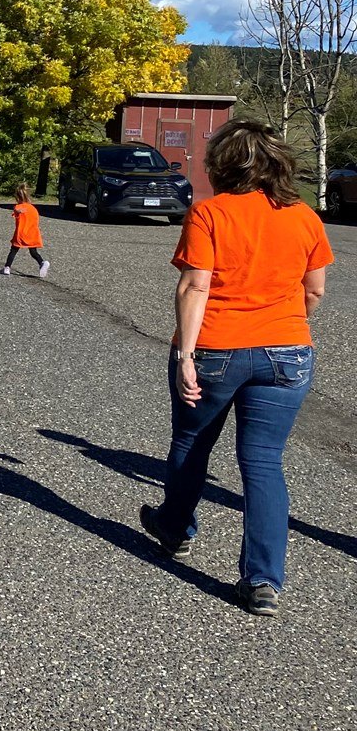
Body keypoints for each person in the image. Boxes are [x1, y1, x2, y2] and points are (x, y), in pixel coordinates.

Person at [139, 122, 332, 617]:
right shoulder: (305, 217)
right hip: (287, 351)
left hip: (216, 349)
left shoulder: (211, 212)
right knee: (264, 461)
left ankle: (175, 529)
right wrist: (281, 327)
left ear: (223, 164)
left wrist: (186, 356)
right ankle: (263, 580)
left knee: (191, 441)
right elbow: (314, 291)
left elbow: (195, 286)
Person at [3, 186, 49, 277]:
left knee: (13, 250)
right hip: (32, 233)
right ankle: (42, 262)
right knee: (33, 252)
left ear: (17, 197)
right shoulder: (33, 209)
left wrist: (16, 210)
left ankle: (7, 267)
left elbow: (16, 211)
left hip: (21, 233)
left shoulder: (18, 207)